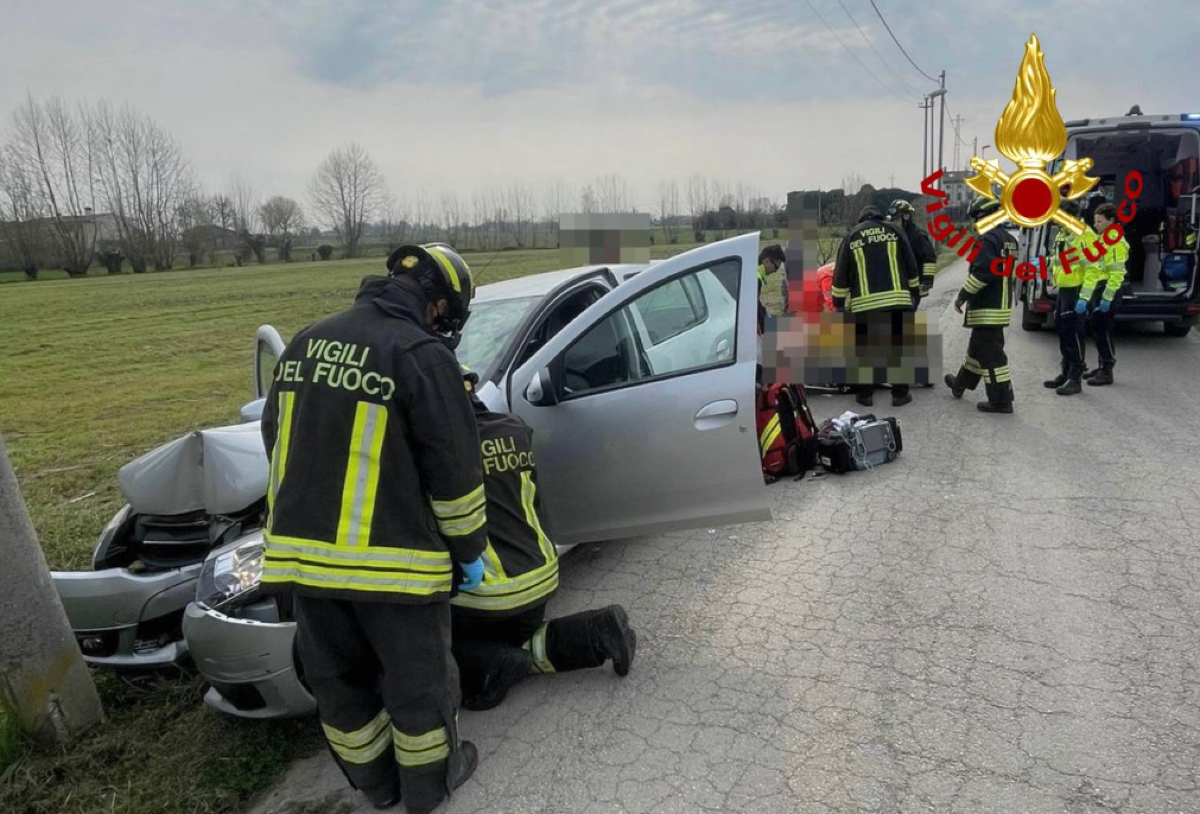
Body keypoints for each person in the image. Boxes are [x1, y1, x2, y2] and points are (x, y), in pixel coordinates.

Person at [260, 243, 487, 812]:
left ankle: (378, 788)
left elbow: (276, 437)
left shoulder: (306, 341)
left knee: (341, 686)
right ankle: (429, 788)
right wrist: (468, 551)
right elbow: (455, 473)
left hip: (301, 564)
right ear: (439, 305)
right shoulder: (422, 355)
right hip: (396, 571)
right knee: (419, 690)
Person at [450, 371, 637, 710]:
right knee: (517, 640)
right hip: (542, 576)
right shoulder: (514, 428)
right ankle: (599, 631)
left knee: (423, 644)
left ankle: (494, 664)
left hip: (490, 596)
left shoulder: (442, 451)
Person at [831, 205, 922, 407]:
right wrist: (914, 293)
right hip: (898, 301)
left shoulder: (852, 236)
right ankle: (900, 395)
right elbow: (911, 264)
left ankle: (865, 395)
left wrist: (838, 303)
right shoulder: (895, 231)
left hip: (865, 305)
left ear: (860, 220)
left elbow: (841, 274)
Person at [943, 198, 1020, 414]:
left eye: (976, 219)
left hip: (987, 307)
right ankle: (960, 384)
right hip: (1000, 305)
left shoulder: (987, 240)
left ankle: (1001, 401)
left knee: (993, 357)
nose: (975, 225)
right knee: (977, 349)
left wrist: (962, 296)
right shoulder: (1008, 239)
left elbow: (983, 273)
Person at [1042, 199, 1101, 396]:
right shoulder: (1064, 233)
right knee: (1063, 329)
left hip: (1077, 289)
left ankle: (1075, 378)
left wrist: (1084, 297)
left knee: (1073, 331)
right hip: (1065, 289)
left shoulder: (1084, 235)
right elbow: (1061, 260)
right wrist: (1045, 266)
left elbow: (1093, 267)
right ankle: (1065, 372)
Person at [1078, 203, 1129, 386]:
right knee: (1098, 330)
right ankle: (1102, 366)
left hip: (1108, 290)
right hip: (1099, 288)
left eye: (1100, 221)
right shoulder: (1104, 239)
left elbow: (1117, 274)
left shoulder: (1115, 242)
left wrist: (1107, 298)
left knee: (1103, 331)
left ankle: (1107, 370)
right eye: (1095, 221)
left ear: (1111, 221)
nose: (1096, 225)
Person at [888, 199, 938, 300]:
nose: (894, 222)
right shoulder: (893, 235)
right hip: (898, 287)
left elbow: (929, 259)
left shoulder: (918, 236)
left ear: (906, 217)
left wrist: (926, 282)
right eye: (893, 219)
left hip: (914, 286)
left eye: (897, 218)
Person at [757, 244, 786, 331]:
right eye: (776, 266)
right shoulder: (756, 277)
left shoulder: (751, 269)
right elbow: (753, 307)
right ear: (766, 261)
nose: (776, 270)